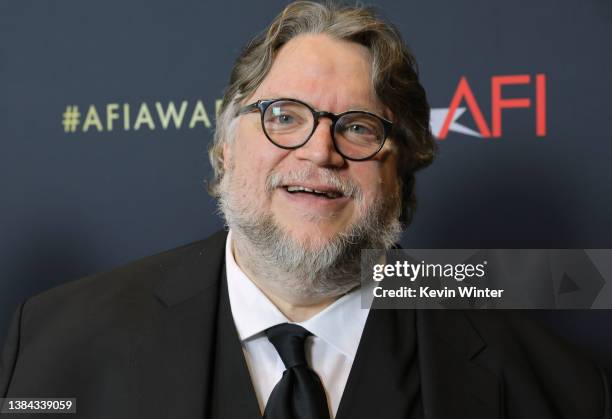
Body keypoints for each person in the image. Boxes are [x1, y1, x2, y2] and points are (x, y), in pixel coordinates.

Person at [1, 2, 610, 418]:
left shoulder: (556, 387)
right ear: (223, 146)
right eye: (283, 116)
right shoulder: (53, 344)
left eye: (359, 126)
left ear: (402, 168)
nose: (320, 150)